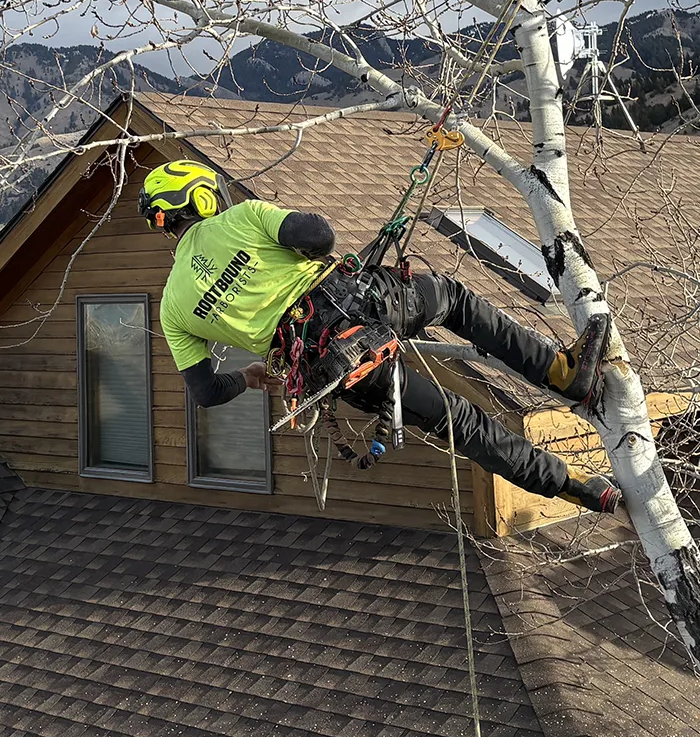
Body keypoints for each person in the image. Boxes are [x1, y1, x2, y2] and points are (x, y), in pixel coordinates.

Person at [138, 159, 621, 514]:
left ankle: (577, 488)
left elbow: (204, 393)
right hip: (360, 304)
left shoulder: (172, 308)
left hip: (334, 370)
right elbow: (320, 235)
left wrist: (246, 377)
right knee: (450, 298)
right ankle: (564, 374)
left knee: (460, 423)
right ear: (203, 198)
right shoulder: (239, 218)